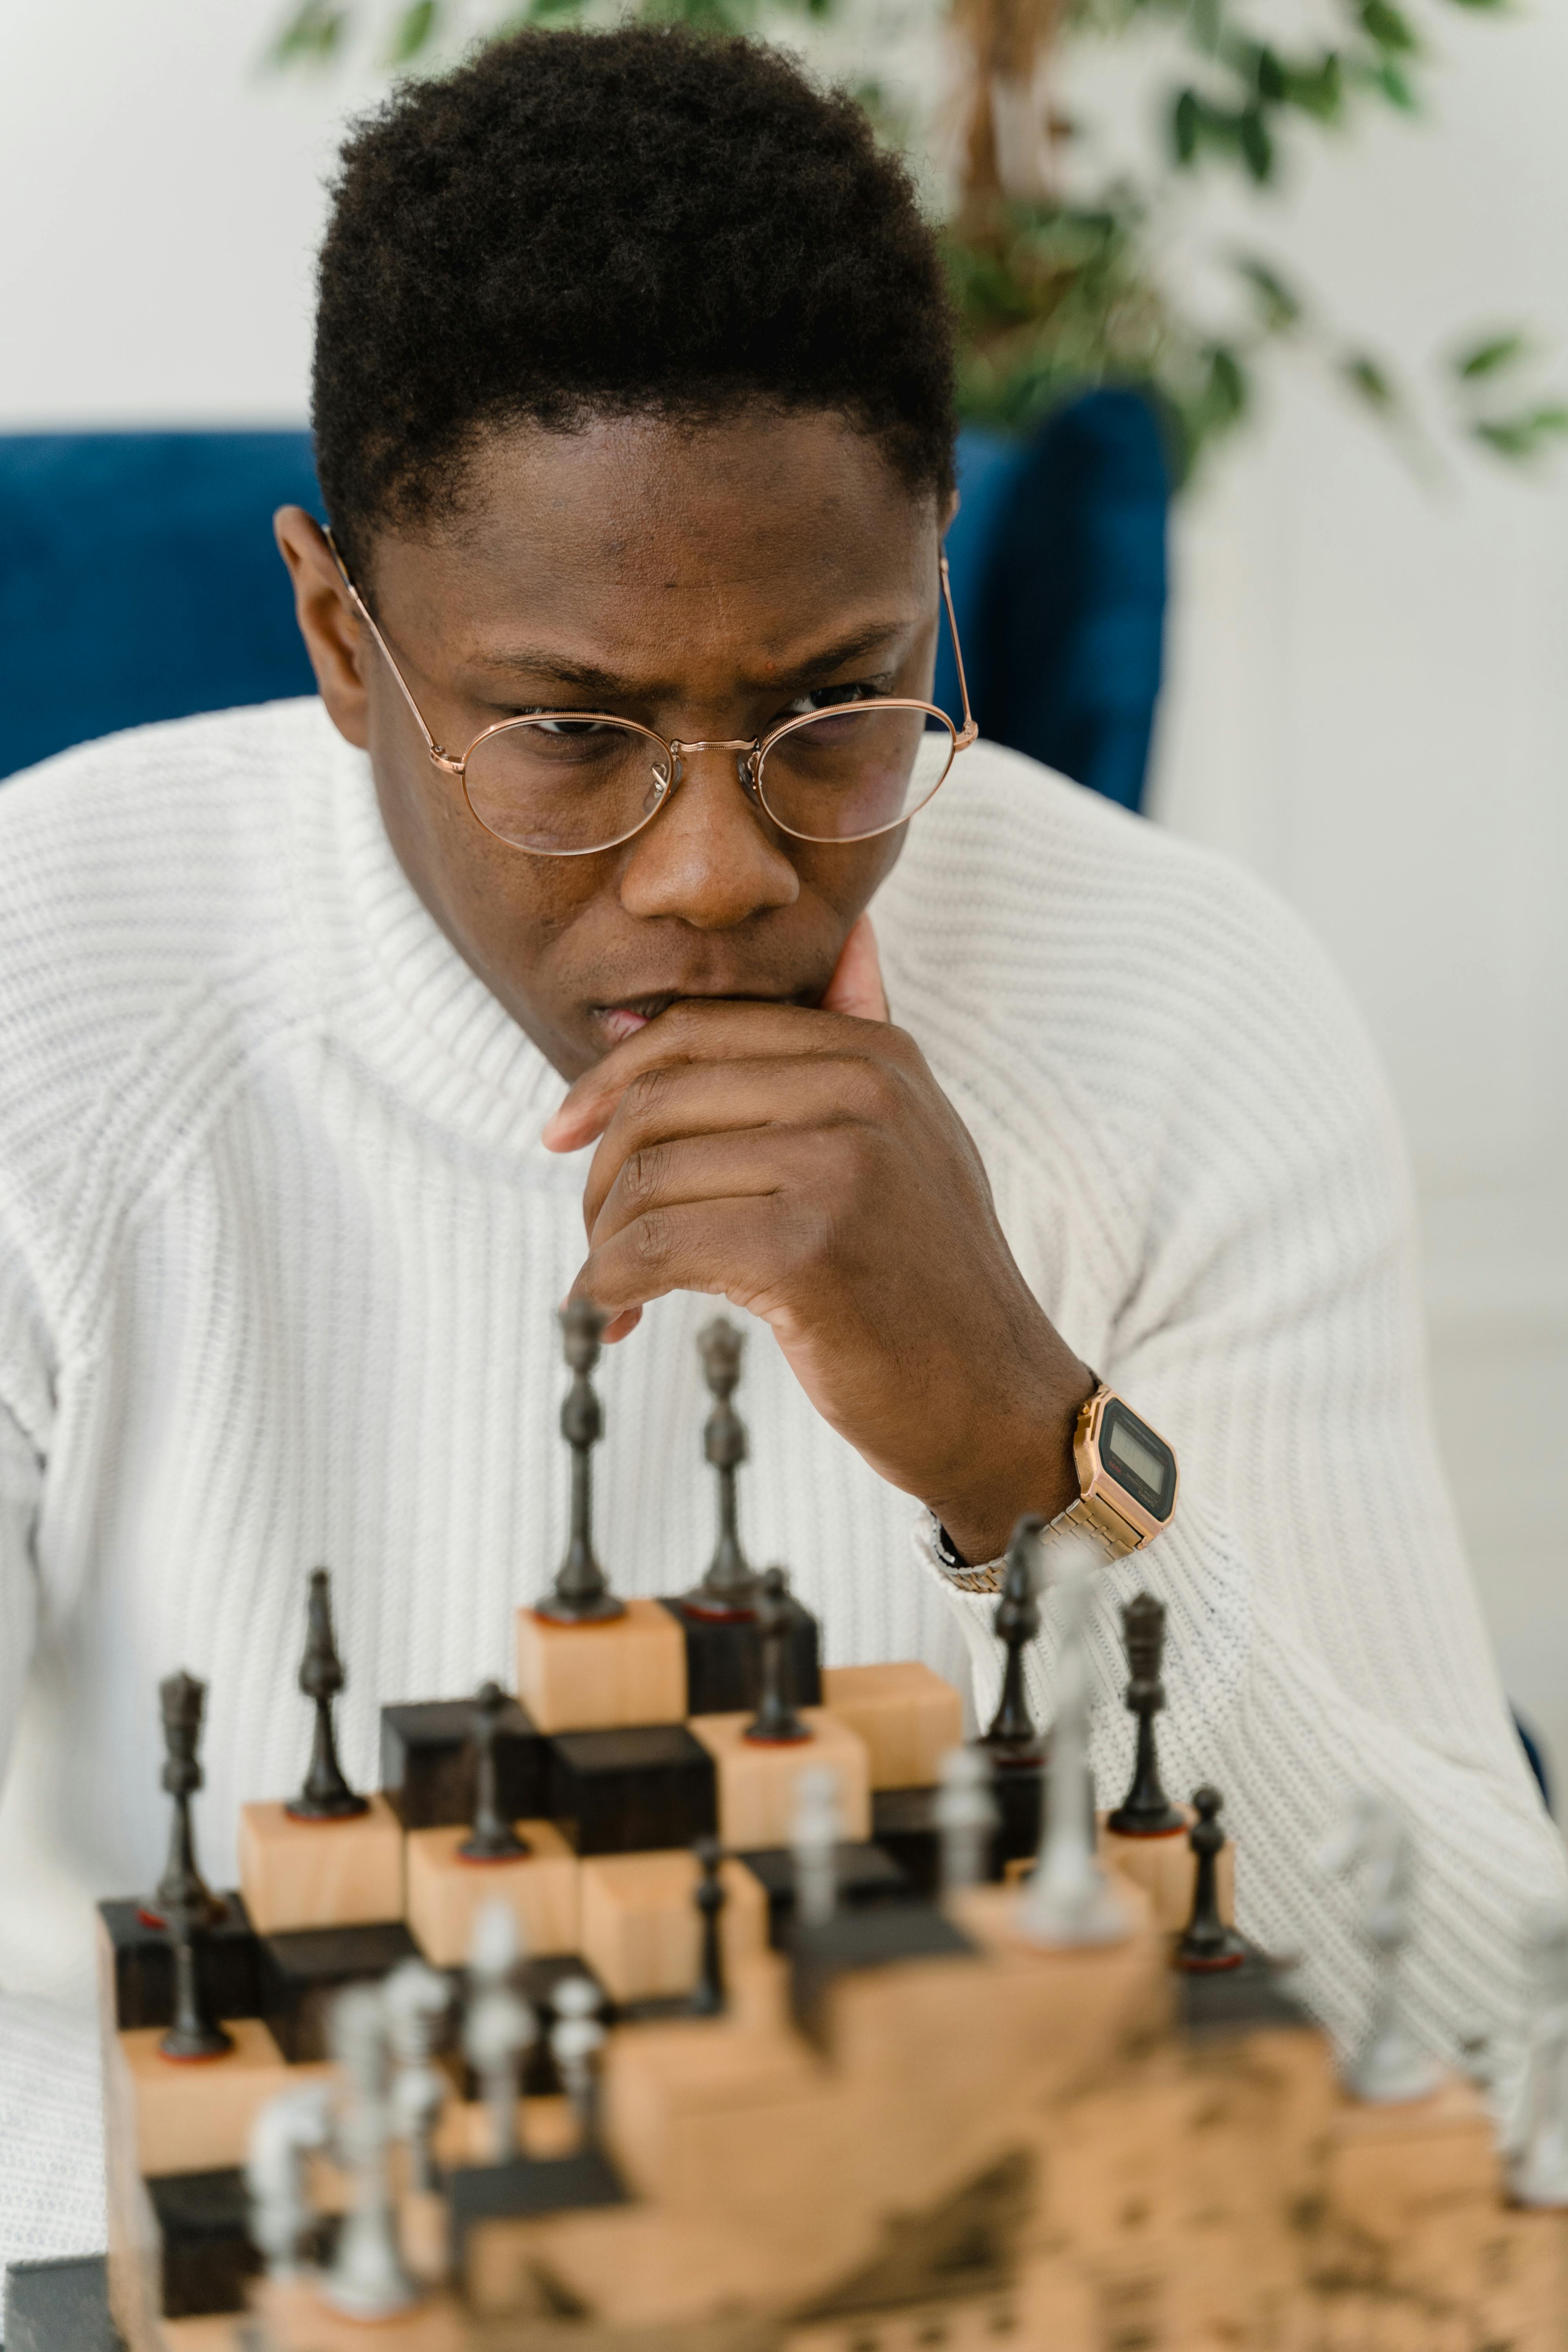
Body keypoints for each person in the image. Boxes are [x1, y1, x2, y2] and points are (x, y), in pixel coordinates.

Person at [0, 22, 1558, 2273]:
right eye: (568, 734)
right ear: (345, 637)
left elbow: (1496, 2049)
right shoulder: (44, 999)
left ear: (937, 562)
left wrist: (1034, 1457)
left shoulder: (1189, 1004)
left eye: (836, 703)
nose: (722, 872)